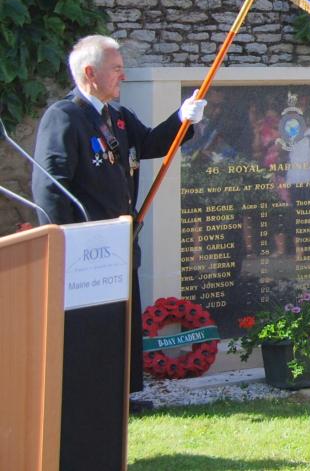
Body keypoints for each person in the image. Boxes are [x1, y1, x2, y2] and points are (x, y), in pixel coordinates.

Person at [32, 34, 205, 412]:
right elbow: (50, 186)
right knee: (90, 325)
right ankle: (86, 398)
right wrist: (67, 239)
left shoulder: (118, 118)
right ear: (90, 73)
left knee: (119, 323)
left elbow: (151, 145)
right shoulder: (65, 117)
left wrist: (182, 119)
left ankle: (119, 397)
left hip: (121, 243)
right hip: (85, 248)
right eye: (116, 69)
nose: (122, 77)